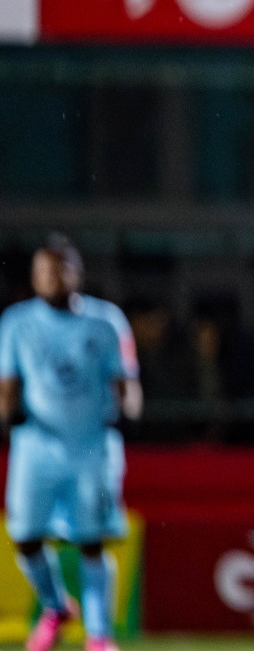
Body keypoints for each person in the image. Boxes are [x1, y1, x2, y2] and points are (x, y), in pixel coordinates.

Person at [0, 234, 139, 651]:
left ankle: (99, 636)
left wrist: (129, 408)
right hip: (36, 447)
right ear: (33, 277)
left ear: (76, 273)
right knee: (24, 535)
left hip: (91, 448)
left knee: (91, 540)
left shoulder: (105, 321)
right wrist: (7, 414)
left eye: (60, 270)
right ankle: (56, 605)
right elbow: (8, 383)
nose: (52, 279)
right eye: (43, 272)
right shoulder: (16, 322)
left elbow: (126, 380)